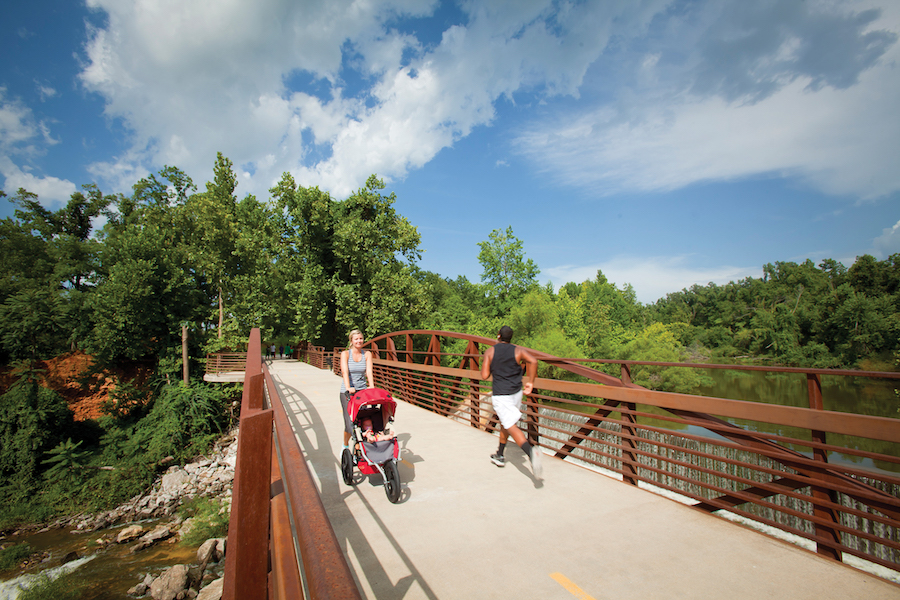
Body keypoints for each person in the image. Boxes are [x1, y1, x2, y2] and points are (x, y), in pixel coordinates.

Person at [480, 325, 542, 478]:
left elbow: (484, 375)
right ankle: (500, 454)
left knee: (510, 425)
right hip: (516, 393)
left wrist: (490, 364)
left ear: (498, 335)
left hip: (502, 395)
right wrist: (531, 382)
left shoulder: (490, 351)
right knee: (505, 423)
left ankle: (531, 454)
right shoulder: (518, 350)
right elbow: (533, 361)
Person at [340, 329, 374, 451]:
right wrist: (349, 387)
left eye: (360, 338)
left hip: (362, 392)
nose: (359, 341)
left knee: (363, 420)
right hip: (348, 392)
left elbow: (369, 371)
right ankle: (345, 444)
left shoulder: (367, 354)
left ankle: (359, 447)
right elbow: (345, 371)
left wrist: (372, 386)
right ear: (351, 341)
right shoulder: (345, 354)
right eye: (356, 339)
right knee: (350, 424)